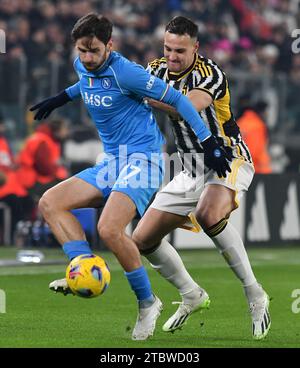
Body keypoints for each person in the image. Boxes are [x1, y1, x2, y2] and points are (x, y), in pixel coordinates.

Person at [29, 13, 231, 341]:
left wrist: (208, 142)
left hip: (143, 160)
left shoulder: (128, 73)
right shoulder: (83, 65)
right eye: (81, 50)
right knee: (51, 202)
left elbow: (178, 98)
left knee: (109, 228)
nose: (87, 58)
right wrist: (61, 98)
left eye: (94, 50)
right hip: (112, 162)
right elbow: (84, 81)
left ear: (110, 45)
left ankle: (148, 303)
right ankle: (81, 266)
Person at [132, 16, 271, 340]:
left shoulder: (209, 74)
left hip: (226, 158)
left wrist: (145, 97)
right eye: (168, 48)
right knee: (142, 240)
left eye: (180, 50)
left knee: (209, 214)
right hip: (190, 166)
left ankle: (254, 293)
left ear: (196, 47)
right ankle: (192, 294)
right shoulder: (156, 69)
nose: (172, 56)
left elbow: (186, 107)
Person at [16, 119, 69, 199]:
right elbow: (44, 168)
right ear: (57, 131)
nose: (66, 132)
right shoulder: (43, 142)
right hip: (32, 181)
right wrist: (56, 172)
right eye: (65, 129)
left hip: (30, 178)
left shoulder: (43, 138)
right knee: (66, 189)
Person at [237, 99, 272, 174]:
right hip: (257, 169)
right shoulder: (258, 125)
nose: (267, 114)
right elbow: (254, 150)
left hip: (240, 167)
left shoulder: (240, 122)